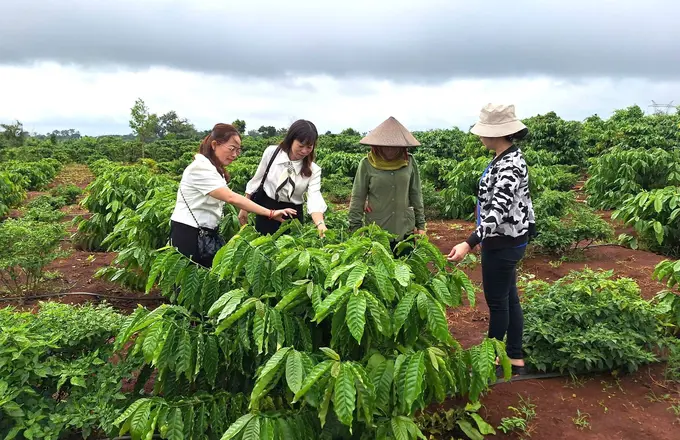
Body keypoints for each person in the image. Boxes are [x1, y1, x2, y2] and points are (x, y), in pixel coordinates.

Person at [447, 103, 536, 376]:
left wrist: (469, 242)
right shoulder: (506, 156)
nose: (480, 136)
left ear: (496, 133)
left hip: (503, 243)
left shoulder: (509, 164)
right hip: (509, 241)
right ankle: (515, 356)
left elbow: (499, 211)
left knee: (498, 303)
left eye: (483, 131)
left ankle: (493, 361)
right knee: (509, 300)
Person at [170, 123, 297, 268]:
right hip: (189, 234)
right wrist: (270, 213)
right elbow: (231, 197)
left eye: (238, 150)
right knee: (188, 284)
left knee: (208, 279)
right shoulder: (200, 168)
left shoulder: (214, 169)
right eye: (232, 149)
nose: (235, 155)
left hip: (204, 233)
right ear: (214, 144)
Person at [348, 116, 426, 253]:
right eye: (386, 147)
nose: (390, 150)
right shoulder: (366, 164)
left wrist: (421, 226)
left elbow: (416, 194)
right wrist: (356, 229)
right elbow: (358, 197)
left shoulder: (410, 162)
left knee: (406, 270)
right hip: (378, 229)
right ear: (377, 146)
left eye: (394, 147)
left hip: (404, 228)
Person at [240, 119, 328, 237]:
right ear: (291, 140)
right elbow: (257, 179)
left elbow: (314, 197)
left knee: (290, 249)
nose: (304, 151)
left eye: (309, 147)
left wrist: (320, 224)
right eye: (301, 146)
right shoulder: (271, 153)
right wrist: (244, 207)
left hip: (293, 214)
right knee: (263, 245)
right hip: (267, 209)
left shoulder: (313, 170)